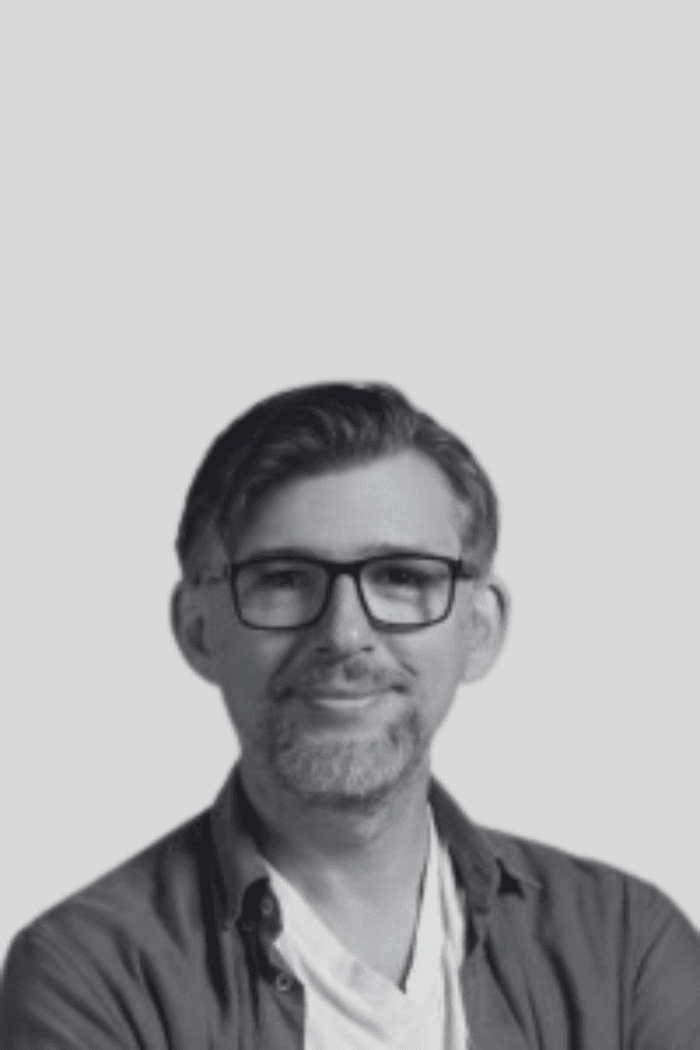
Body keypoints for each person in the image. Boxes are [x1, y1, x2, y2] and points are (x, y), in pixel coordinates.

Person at [1, 381, 698, 1049]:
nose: (344, 635)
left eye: (401, 577)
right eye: (283, 579)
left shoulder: (627, 947)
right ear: (199, 628)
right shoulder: (90, 972)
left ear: (480, 628)